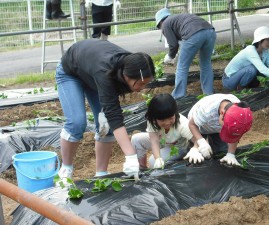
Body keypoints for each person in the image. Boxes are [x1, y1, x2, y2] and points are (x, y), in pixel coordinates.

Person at [55, 39, 155, 181]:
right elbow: (113, 114)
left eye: (146, 83)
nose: (142, 87)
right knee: (77, 123)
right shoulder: (106, 70)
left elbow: (111, 117)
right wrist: (131, 155)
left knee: (105, 125)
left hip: (92, 74)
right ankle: (66, 169)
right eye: (141, 83)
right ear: (126, 76)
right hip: (71, 73)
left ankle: (101, 174)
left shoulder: (131, 64)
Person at [155, 8, 216, 99]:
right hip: (210, 31)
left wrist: (170, 56)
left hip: (194, 34)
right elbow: (182, 39)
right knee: (206, 64)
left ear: (160, 22)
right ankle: (208, 94)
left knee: (182, 67)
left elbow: (173, 44)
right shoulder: (178, 18)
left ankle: (178, 96)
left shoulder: (165, 24)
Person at [131, 93, 199, 169]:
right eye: (162, 120)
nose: (167, 123)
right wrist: (158, 158)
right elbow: (154, 140)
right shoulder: (152, 120)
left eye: (170, 118)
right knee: (136, 139)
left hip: (177, 147)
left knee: (152, 161)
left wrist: (195, 149)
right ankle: (142, 168)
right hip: (162, 141)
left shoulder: (182, 124)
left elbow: (198, 140)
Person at [222, 26, 269, 91]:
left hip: (243, 77)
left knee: (258, 69)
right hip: (229, 81)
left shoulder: (266, 51)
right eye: (267, 40)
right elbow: (263, 70)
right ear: (260, 40)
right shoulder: (250, 50)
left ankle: (250, 88)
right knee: (251, 69)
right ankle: (241, 89)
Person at [185, 94, 253, 166]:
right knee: (196, 156)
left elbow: (235, 133)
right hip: (199, 126)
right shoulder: (206, 110)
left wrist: (231, 154)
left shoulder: (240, 112)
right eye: (226, 128)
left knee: (220, 151)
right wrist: (200, 143)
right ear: (222, 113)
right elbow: (192, 125)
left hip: (216, 128)